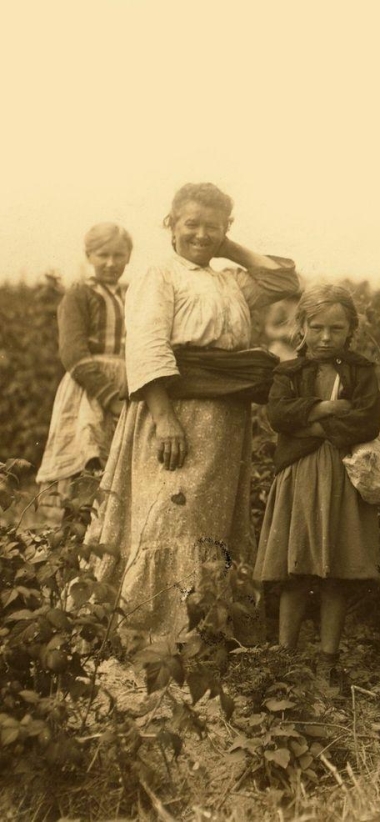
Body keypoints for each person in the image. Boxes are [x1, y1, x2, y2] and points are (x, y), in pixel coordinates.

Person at [91, 183, 299, 638]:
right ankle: (153, 630)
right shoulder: (160, 275)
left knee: (210, 520)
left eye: (213, 226)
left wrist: (227, 246)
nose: (201, 235)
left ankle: (206, 627)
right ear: (171, 225)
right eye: (191, 224)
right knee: (170, 515)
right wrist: (166, 420)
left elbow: (286, 280)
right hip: (176, 414)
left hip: (224, 420)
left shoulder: (228, 280)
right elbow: (146, 346)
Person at [254, 284, 380, 679]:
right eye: (317, 328)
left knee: (335, 573)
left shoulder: (361, 371)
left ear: (351, 330)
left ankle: (328, 660)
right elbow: (279, 415)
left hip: (343, 477)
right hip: (299, 475)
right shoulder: (290, 371)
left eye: (336, 329)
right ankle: (285, 659)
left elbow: (366, 420)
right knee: (295, 572)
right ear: (302, 328)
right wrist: (326, 410)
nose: (326, 338)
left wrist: (308, 423)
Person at [36, 223, 132, 523]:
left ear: (129, 257)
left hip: (125, 384)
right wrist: (109, 397)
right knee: (83, 462)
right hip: (89, 386)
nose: (111, 263)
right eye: (103, 255)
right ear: (89, 255)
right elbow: (73, 353)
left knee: (115, 467)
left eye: (119, 255)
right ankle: (71, 546)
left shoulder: (129, 294)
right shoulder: (80, 293)